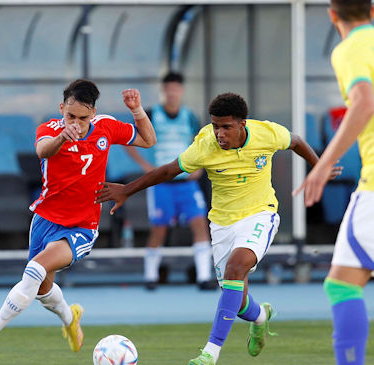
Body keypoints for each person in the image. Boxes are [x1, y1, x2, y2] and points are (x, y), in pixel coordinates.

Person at [96, 92, 341, 365]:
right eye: (215, 126)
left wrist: (318, 167)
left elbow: (295, 141)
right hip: (223, 224)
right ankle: (260, 316)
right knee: (237, 300)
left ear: (242, 124)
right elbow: (168, 171)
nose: (219, 133)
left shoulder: (266, 133)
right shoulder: (205, 145)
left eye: (226, 127)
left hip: (260, 214)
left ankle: (209, 354)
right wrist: (127, 190)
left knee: (236, 268)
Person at [0, 79, 156, 357]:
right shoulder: (50, 130)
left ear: (94, 112)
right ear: (61, 108)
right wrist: (63, 136)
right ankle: (70, 318)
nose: (76, 123)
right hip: (45, 220)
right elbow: (42, 151)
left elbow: (149, 140)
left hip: (82, 226)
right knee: (41, 289)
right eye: (70, 116)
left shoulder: (106, 127)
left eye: (83, 117)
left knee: (36, 268)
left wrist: (137, 110)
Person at [294, 1, 374, 364]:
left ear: (332, 14)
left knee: (342, 284)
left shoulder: (351, 48)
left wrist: (324, 163)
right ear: (372, 11)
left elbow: (364, 101)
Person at [125, 72, 215, 291]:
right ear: (163, 91)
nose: (172, 93)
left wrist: (200, 166)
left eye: (176, 89)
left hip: (186, 182)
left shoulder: (190, 116)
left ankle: (204, 277)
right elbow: (127, 140)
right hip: (162, 183)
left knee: (200, 224)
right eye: (168, 89)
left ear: (181, 91)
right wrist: (146, 167)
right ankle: (150, 277)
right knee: (159, 228)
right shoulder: (152, 114)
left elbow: (203, 143)